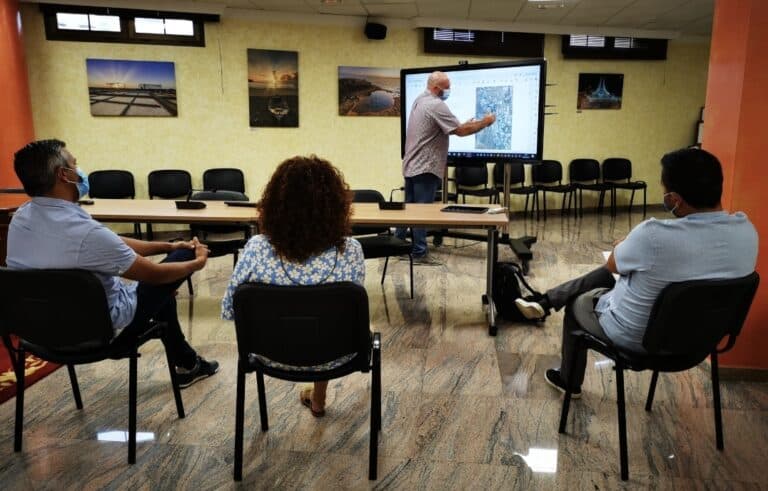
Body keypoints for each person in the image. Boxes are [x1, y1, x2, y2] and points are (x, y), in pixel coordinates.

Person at [513, 148, 758, 397]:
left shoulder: (653, 235)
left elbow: (613, 266)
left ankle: (569, 381)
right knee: (620, 276)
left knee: (579, 304)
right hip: (702, 342)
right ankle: (545, 302)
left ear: (675, 199)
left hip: (640, 341)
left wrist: (625, 245)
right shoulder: (747, 232)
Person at [8, 139, 219, 388]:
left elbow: (112, 242)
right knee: (182, 261)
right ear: (64, 174)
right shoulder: (85, 233)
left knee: (162, 294)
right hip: (99, 333)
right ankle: (167, 357)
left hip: (39, 334)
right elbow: (154, 275)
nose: (80, 170)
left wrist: (168, 246)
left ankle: (188, 362)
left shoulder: (20, 218)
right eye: (75, 164)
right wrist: (196, 262)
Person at [221, 155, 365, 417]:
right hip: (336, 355)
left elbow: (232, 308)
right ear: (335, 206)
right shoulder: (351, 251)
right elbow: (347, 314)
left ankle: (316, 397)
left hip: (269, 354)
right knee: (327, 320)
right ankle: (318, 398)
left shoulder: (256, 249)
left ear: (274, 204)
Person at [395, 71, 496, 264]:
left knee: (409, 209)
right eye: (446, 87)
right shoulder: (435, 104)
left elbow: (451, 127)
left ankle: (397, 244)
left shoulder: (420, 99)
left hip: (412, 164)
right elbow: (460, 131)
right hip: (425, 167)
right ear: (436, 88)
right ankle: (419, 252)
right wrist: (485, 122)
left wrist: (462, 125)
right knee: (421, 212)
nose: (449, 90)